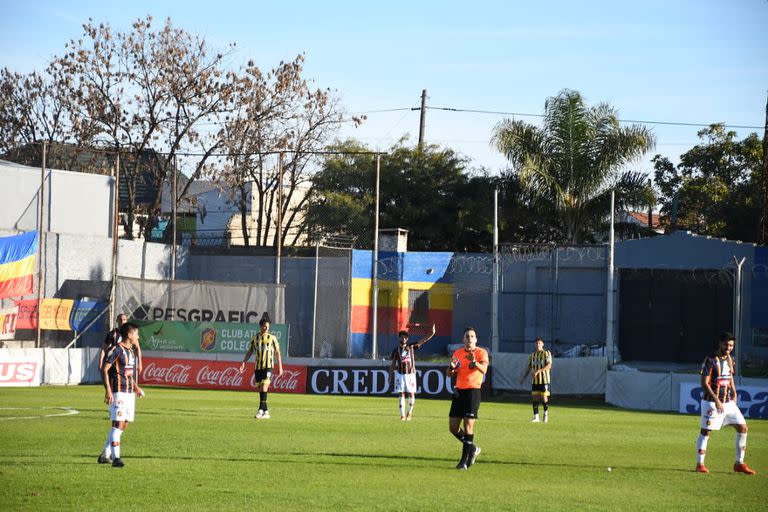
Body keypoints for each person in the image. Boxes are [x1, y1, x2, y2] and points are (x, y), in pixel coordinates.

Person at [695, 332, 756, 475]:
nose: (729, 348)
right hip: (712, 403)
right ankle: (700, 464)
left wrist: (734, 392)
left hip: (728, 403)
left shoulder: (730, 359)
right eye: (726, 345)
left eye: (731, 345)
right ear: (720, 344)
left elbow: (730, 377)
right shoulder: (710, 359)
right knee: (706, 431)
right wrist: (716, 400)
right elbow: (704, 383)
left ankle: (739, 463)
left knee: (743, 428)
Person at [98, 322, 144, 468]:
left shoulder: (130, 351)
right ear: (130, 335)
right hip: (118, 393)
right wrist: (108, 390)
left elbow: (128, 373)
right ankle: (116, 458)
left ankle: (105, 454)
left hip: (129, 393)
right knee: (117, 424)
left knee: (123, 425)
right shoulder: (116, 350)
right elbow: (104, 369)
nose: (138, 336)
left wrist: (136, 387)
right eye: (136, 334)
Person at [447, 326, 489, 470]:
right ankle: (473, 448)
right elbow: (449, 374)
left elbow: (484, 370)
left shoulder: (481, 352)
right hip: (459, 392)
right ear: (463, 339)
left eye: (472, 336)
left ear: (476, 339)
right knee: (453, 427)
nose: (470, 339)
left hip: (473, 392)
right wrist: (451, 368)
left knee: (468, 425)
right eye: (467, 336)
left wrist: (474, 362)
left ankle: (463, 462)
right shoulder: (458, 353)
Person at [389, 324, 436, 420]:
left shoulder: (411, 347)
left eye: (406, 337)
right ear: (399, 338)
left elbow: (424, 340)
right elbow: (393, 364)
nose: (404, 339)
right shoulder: (396, 350)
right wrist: (390, 375)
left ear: (407, 339)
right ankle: (402, 416)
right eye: (402, 337)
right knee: (401, 393)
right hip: (400, 374)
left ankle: (409, 413)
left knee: (411, 393)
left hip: (411, 374)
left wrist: (432, 333)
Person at [239, 317, 283, 419]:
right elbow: (250, 351)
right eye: (264, 326)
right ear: (260, 326)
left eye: (268, 326)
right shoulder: (255, 338)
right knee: (260, 389)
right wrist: (243, 363)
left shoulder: (272, 338)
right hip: (258, 367)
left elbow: (277, 353)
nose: (266, 328)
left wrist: (280, 366)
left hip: (268, 366)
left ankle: (260, 410)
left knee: (264, 386)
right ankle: (266, 412)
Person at [520, 337, 552, 423]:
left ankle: (545, 413)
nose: (538, 345)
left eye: (539, 343)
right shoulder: (532, 355)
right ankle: (536, 417)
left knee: (544, 398)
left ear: (543, 344)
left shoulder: (546, 353)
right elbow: (529, 367)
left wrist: (539, 371)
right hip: (535, 381)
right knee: (535, 398)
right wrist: (523, 377)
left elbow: (549, 365)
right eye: (536, 343)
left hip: (544, 380)